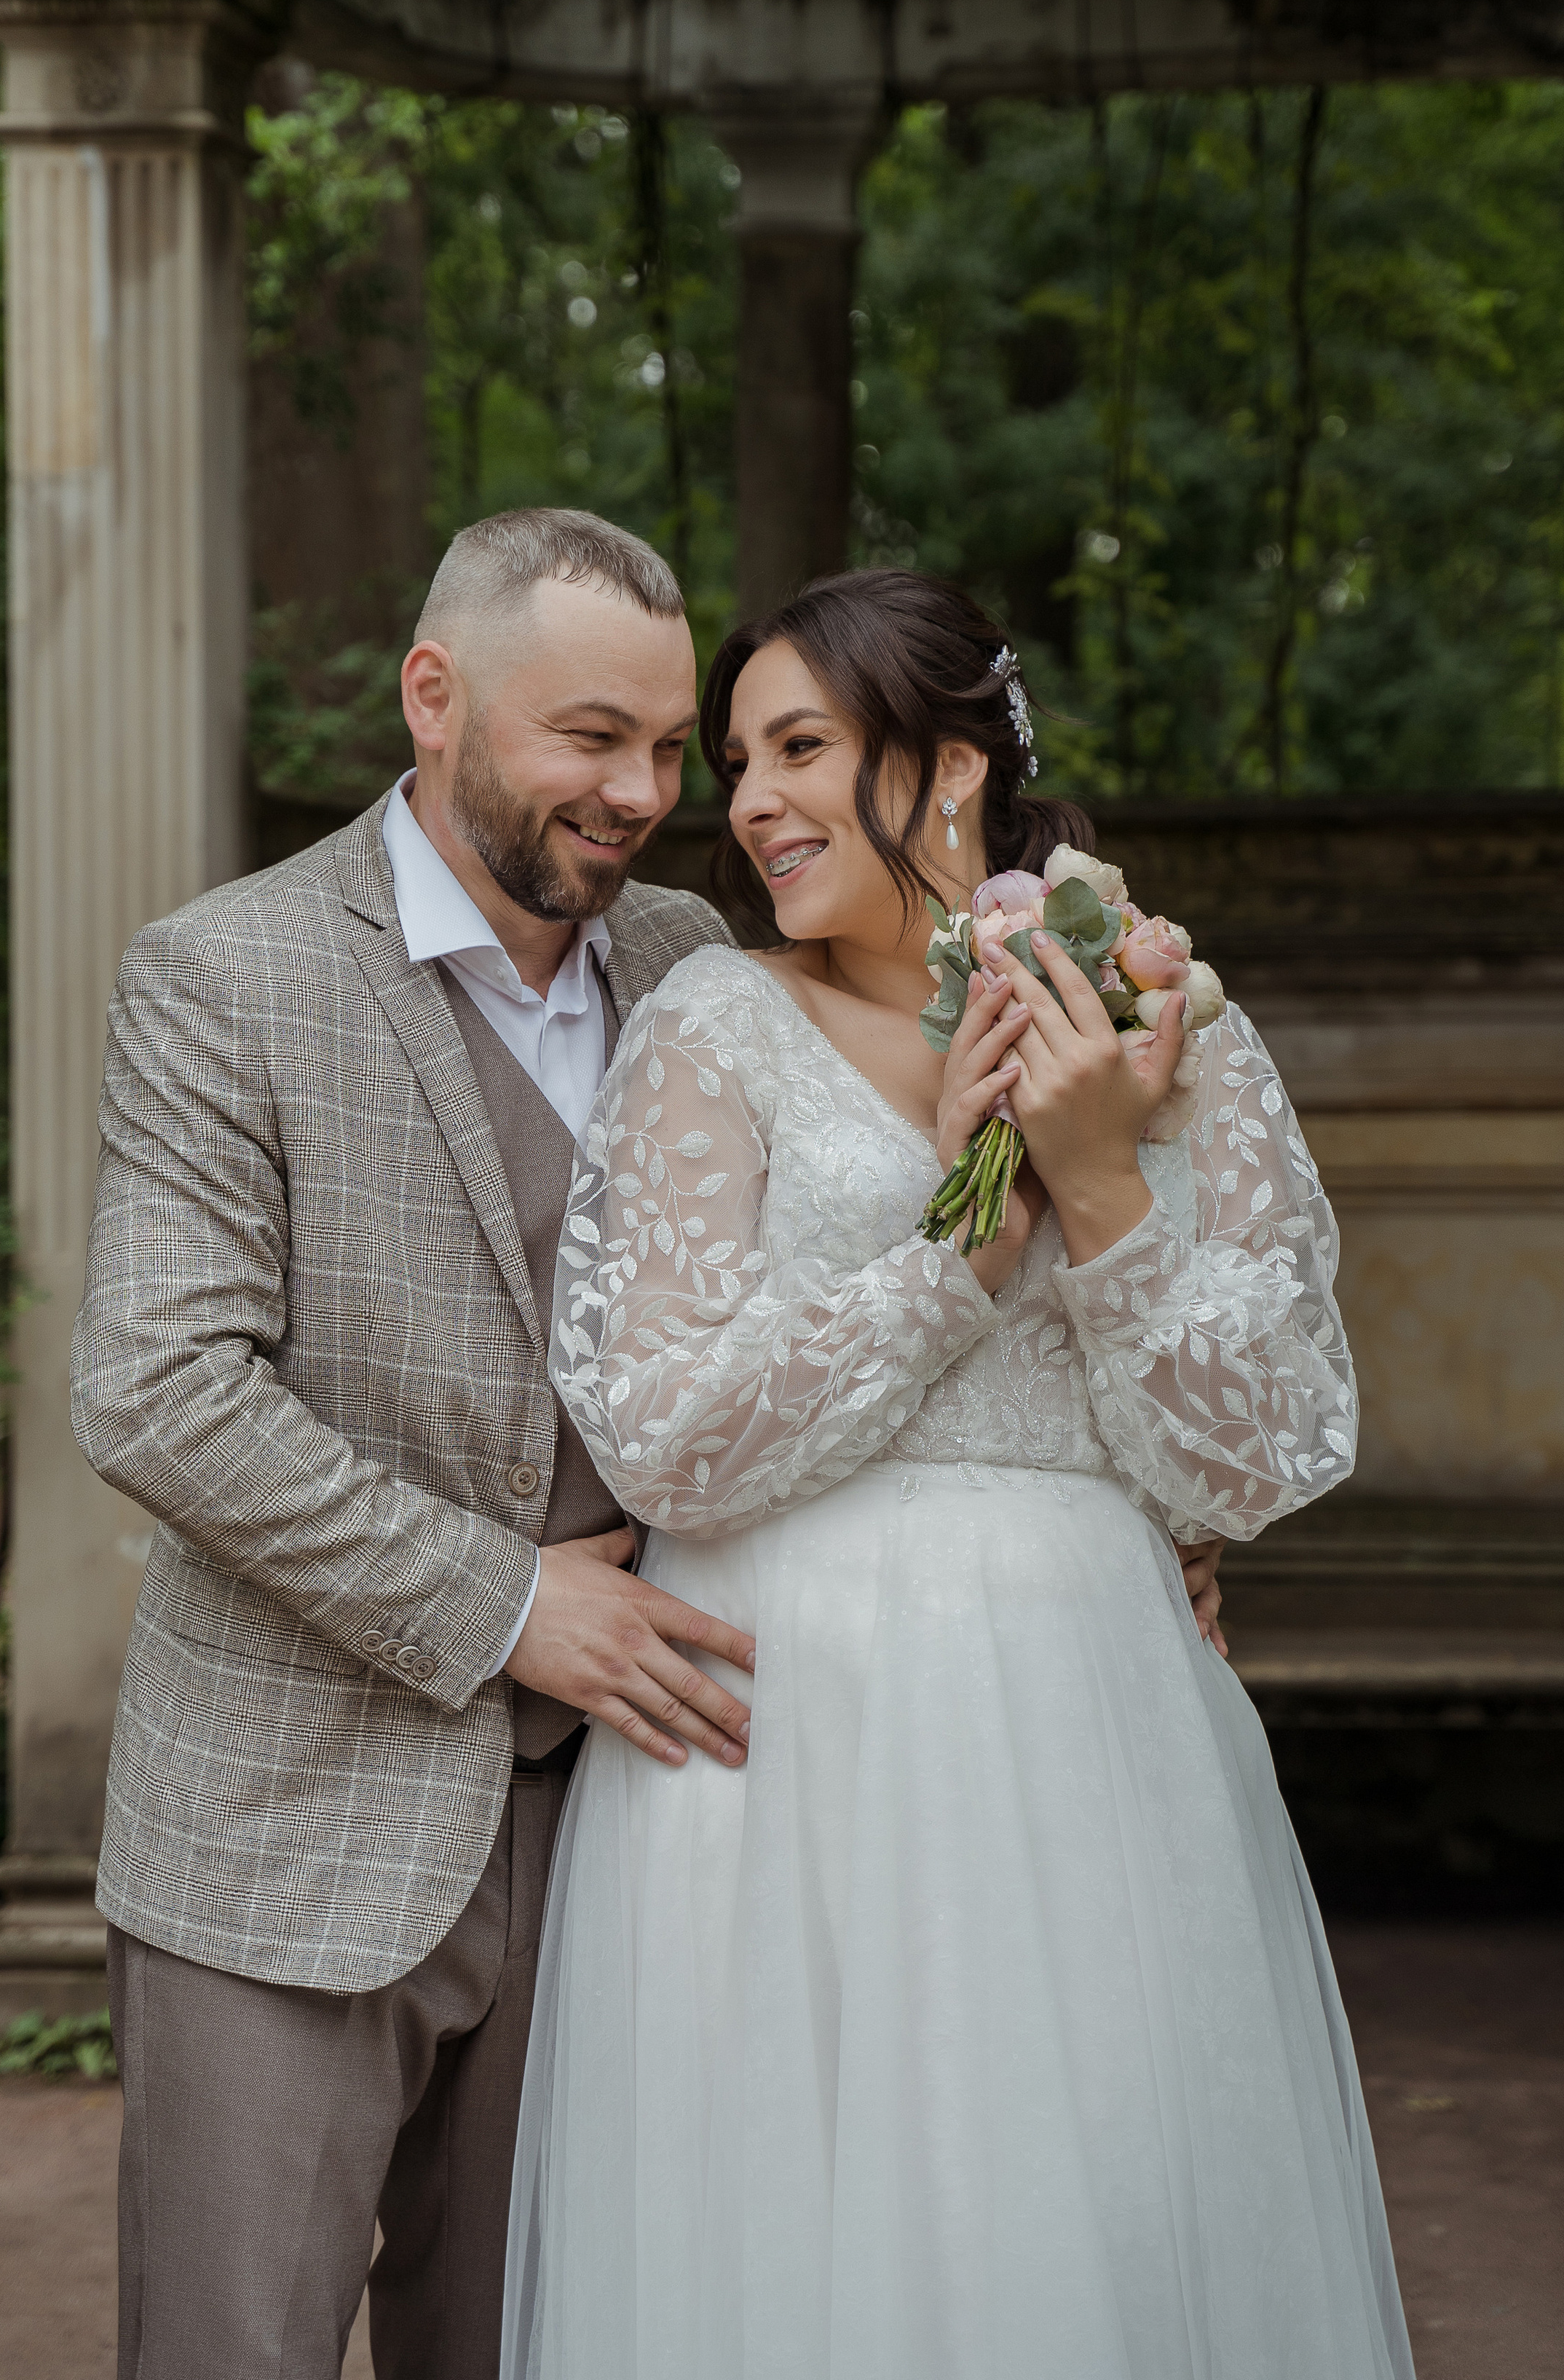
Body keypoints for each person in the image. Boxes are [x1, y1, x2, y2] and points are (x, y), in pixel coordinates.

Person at [504, 570, 1415, 2380]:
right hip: (773, 1741)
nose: (748, 801)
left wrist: (1093, 1175)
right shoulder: (714, 1027)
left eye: (799, 749)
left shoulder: (1160, 1022)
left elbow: (1264, 1442)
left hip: (1089, 1728)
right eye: (738, 758)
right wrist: (958, 1252)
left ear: (941, 774)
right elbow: (664, 1435)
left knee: (1082, 2227)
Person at [71, 509, 754, 2380]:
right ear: (432, 696)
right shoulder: (226, 976)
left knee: (539, 2349)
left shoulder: (695, 962)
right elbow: (158, 1389)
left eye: (667, 749)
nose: (637, 793)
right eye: (587, 737)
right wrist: (500, 1608)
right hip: (282, 1824)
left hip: (618, 1833)